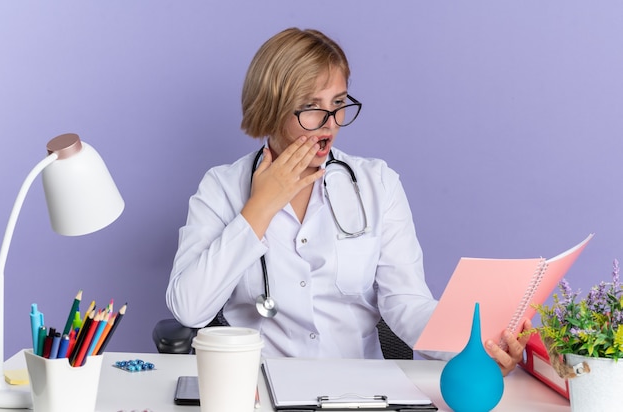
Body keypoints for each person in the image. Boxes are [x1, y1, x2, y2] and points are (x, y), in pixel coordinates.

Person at [166, 27, 530, 375]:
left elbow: (405, 304)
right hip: (259, 386)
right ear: (271, 108)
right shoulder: (222, 187)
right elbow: (189, 309)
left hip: (360, 392)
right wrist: (261, 206)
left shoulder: (378, 184)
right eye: (311, 106)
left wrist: (473, 344)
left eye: (338, 103)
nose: (330, 123)